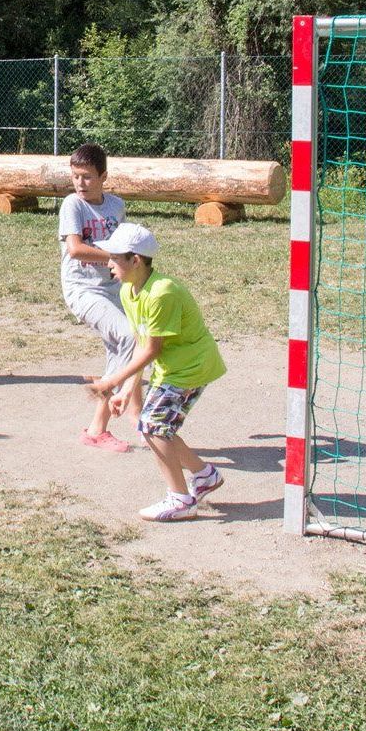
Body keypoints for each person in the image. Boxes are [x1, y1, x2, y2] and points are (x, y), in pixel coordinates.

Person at [85, 223, 226, 522]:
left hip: (191, 368)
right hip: (172, 369)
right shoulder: (128, 291)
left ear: (135, 260)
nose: (108, 263)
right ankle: (204, 476)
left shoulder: (162, 293)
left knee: (152, 425)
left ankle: (181, 500)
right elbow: (141, 344)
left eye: (114, 257)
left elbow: (153, 349)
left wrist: (112, 380)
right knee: (156, 425)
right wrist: (124, 391)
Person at [60, 143, 137, 453]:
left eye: (88, 177)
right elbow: (76, 249)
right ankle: (104, 414)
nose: (80, 183)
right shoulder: (72, 205)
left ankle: (117, 418)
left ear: (104, 176)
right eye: (76, 176)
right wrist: (117, 256)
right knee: (129, 338)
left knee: (131, 345)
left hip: (114, 289)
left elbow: (126, 243)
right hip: (83, 289)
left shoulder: (116, 206)